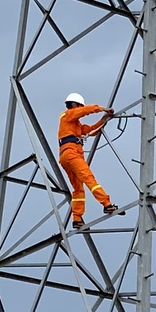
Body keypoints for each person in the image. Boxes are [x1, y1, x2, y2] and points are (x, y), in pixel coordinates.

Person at [58, 92, 115, 229]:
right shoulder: (67, 115)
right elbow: (84, 111)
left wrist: (104, 119)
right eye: (78, 106)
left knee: (78, 189)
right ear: (74, 105)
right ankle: (106, 204)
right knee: (89, 178)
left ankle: (77, 218)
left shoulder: (74, 124)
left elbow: (90, 130)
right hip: (72, 154)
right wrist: (102, 108)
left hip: (67, 156)